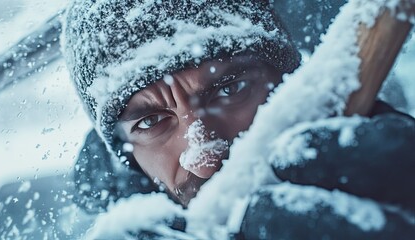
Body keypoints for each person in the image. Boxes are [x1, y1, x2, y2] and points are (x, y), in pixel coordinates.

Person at [63, 0, 415, 238]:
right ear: (128, 159)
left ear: (288, 86)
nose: (204, 159)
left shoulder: (387, 170)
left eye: (230, 91)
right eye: (151, 122)